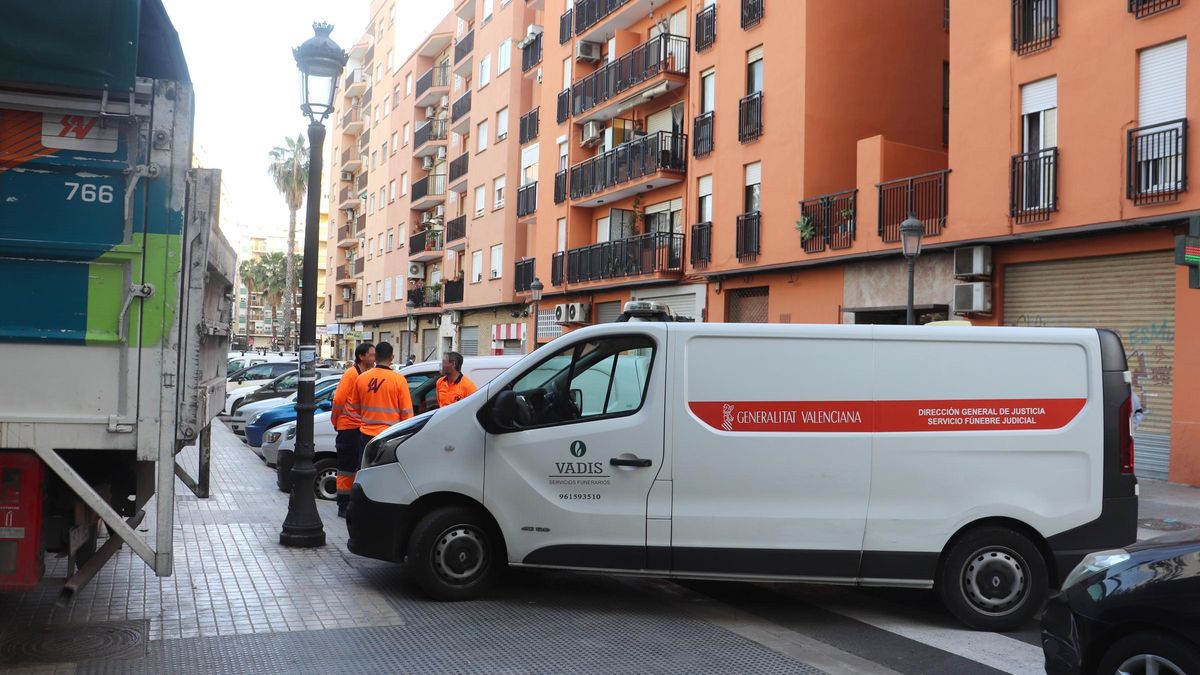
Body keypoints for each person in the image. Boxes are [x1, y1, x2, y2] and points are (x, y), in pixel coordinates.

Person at [347, 342, 413, 496]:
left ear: (375, 357)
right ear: (392, 357)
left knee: (365, 473)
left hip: (366, 435)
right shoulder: (398, 380)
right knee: (387, 475)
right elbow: (407, 413)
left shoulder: (362, 378)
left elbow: (354, 407)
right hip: (389, 437)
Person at [331, 342, 375, 517]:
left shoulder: (369, 375)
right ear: (361, 356)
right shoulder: (351, 373)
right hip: (348, 427)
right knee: (346, 469)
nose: (374, 358)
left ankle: (354, 504)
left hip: (362, 428)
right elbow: (339, 400)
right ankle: (343, 506)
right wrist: (335, 421)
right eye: (371, 355)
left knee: (357, 468)